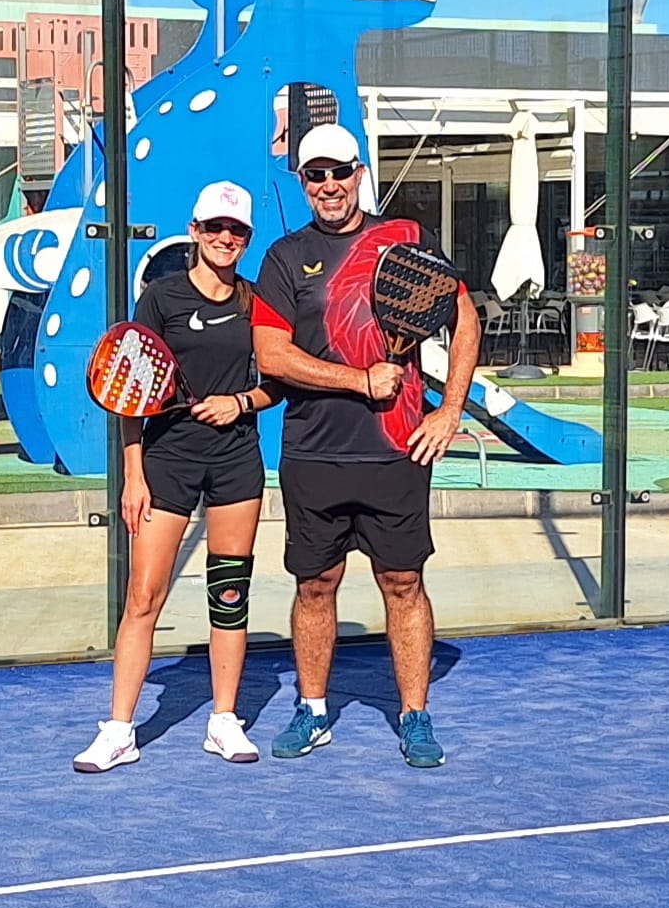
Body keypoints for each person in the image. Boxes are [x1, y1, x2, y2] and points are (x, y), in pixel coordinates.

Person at [252, 124, 481, 769]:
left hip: (397, 453)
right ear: (302, 183)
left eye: (339, 172)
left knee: (403, 582)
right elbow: (272, 354)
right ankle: (313, 710)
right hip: (313, 454)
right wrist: (359, 380)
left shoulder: (407, 239)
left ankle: (415, 716)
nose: (329, 186)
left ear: (359, 173)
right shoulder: (284, 257)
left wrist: (449, 411)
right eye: (315, 175)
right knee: (315, 585)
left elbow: (465, 321)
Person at [74, 181, 281, 773]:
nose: (224, 238)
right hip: (167, 462)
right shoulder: (161, 299)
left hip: (236, 462)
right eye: (214, 227)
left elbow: (278, 382)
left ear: (246, 238)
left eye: (235, 230)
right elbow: (128, 387)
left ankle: (224, 721)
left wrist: (239, 403)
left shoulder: (258, 302)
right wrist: (133, 474)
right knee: (144, 595)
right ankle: (119, 730)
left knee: (229, 593)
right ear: (195, 231)